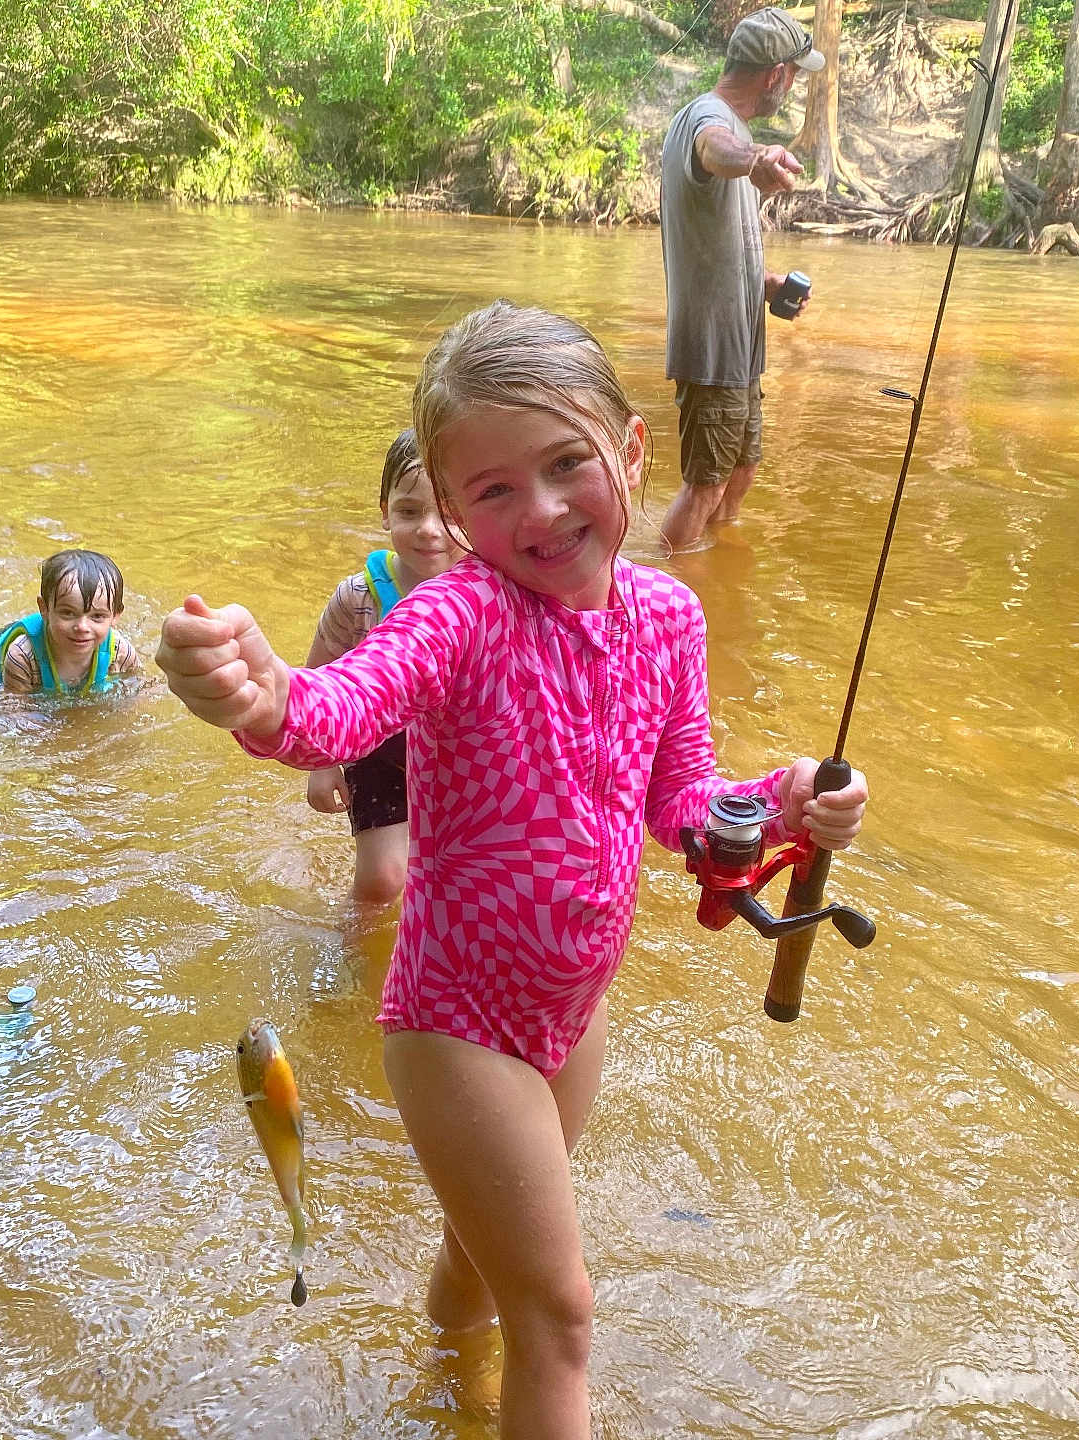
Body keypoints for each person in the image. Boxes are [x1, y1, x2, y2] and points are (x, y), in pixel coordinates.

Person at [156, 301, 869, 1437]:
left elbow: (682, 802)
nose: (538, 509)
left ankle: (438, 1396)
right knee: (562, 1317)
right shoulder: (459, 615)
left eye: (565, 464)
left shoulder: (669, 617)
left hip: (571, 1012)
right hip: (456, 1018)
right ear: (450, 511)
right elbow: (338, 709)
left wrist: (775, 806)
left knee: (483, 1267)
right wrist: (263, 692)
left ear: (631, 449)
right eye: (492, 489)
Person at [659, 5, 823, 552]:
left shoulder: (732, 124)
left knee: (740, 472)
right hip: (712, 346)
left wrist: (766, 285)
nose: (793, 85)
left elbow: (720, 242)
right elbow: (714, 149)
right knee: (704, 486)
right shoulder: (710, 119)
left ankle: (718, 579)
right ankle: (669, 581)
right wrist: (755, 160)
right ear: (775, 75)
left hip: (740, 341)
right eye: (794, 73)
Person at [303, 429, 459, 906]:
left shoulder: (492, 592)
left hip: (463, 759)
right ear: (385, 510)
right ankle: (354, 939)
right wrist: (322, 764)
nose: (429, 529)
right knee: (383, 881)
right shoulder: (358, 598)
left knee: (457, 876)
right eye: (410, 511)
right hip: (378, 753)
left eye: (449, 514)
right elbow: (318, 682)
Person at [0, 548, 141, 695]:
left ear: (115, 616)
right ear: (44, 608)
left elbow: (137, 694)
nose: (82, 627)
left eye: (97, 616)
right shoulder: (23, 656)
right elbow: (15, 708)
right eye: (68, 613)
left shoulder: (121, 653)